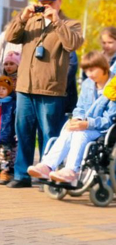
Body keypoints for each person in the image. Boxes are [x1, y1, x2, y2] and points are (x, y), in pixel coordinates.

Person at [5, 0, 84, 188]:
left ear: (59, 2)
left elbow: (73, 44)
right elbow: (10, 37)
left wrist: (56, 21)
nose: (47, 6)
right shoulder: (31, 21)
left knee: (49, 134)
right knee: (23, 132)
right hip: (25, 87)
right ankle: (21, 175)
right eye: (43, 3)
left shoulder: (70, 24)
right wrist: (22, 17)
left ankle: (48, 175)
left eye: (51, 2)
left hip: (51, 89)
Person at [27, 52, 116, 184]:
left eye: (92, 70)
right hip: (84, 125)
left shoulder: (113, 86)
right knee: (68, 129)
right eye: (86, 70)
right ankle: (47, 166)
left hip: (102, 129)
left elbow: (109, 119)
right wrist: (78, 119)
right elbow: (80, 107)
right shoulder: (87, 84)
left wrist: (87, 124)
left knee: (80, 134)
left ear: (103, 67)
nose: (89, 74)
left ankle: (71, 170)